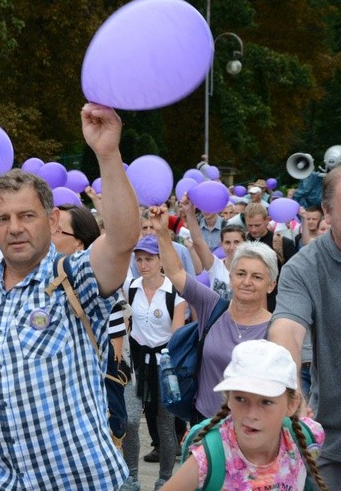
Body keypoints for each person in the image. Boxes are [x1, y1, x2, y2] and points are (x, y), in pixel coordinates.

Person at [0, 103, 139, 490]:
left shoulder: (75, 280)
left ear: (51, 221)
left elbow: (121, 239)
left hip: (74, 480)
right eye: (3, 219)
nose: (15, 228)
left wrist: (107, 153)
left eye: (27, 216)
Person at [270, 163, 341, 489]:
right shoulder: (304, 269)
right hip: (340, 455)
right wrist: (290, 383)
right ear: (327, 212)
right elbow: (286, 330)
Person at [150, 205, 279, 421]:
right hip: (204, 422)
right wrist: (162, 232)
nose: (247, 282)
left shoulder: (277, 329)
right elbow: (175, 272)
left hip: (250, 430)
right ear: (230, 277)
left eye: (257, 277)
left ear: (271, 285)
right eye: (240, 273)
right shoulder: (212, 306)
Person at [161, 340, 327, 491]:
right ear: (229, 399)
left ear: (291, 404)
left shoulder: (307, 436)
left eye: (266, 402)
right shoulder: (209, 458)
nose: (251, 414)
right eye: (240, 399)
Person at [122, 235, 186, 491]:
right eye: (139, 259)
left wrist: (170, 367)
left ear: (161, 260)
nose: (143, 264)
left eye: (149, 258)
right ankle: (132, 477)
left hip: (165, 363)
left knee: (165, 422)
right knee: (130, 419)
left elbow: (178, 335)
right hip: (136, 361)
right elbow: (126, 321)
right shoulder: (131, 287)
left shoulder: (174, 292)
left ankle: (166, 477)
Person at [182, 196, 246, 300]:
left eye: (237, 242)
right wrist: (189, 212)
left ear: (245, 243)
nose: (232, 247)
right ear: (221, 244)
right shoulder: (215, 266)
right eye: (227, 242)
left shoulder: (252, 269)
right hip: (217, 316)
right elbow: (198, 241)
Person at [243, 202, 296, 311]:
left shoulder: (282, 243)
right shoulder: (241, 242)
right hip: (248, 298)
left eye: (257, 225)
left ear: (267, 220)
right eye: (249, 225)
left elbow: (295, 274)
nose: (253, 230)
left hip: (276, 301)